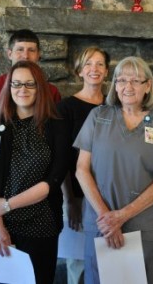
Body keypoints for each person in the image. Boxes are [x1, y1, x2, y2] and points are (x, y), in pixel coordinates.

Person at [73, 56, 153, 284]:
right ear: (115, 85)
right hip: (101, 223)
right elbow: (81, 170)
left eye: (135, 81)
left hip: (142, 225)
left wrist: (121, 216)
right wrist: (107, 219)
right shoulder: (98, 117)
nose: (127, 86)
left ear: (148, 85)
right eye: (121, 80)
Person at [0, 61, 69, 284]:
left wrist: (8, 204)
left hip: (41, 223)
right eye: (16, 84)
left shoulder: (57, 126)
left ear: (40, 88)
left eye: (30, 84)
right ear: (8, 87)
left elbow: (53, 181)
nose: (22, 89)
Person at [57, 46, 110, 284]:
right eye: (88, 64)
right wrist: (70, 201)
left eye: (99, 64)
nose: (94, 69)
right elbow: (62, 158)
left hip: (109, 197)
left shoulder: (114, 107)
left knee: (106, 265)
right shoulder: (66, 108)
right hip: (78, 197)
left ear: (107, 71)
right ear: (79, 71)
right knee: (77, 267)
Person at [0, 29, 61, 148]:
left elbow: (57, 132)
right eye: (20, 49)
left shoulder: (52, 92)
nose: (25, 56)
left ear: (38, 55)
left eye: (31, 50)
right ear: (10, 54)